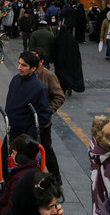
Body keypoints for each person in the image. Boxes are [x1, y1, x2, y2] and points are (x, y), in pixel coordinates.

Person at [3, 51, 50, 180]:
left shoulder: (39, 88)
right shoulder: (16, 79)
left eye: (24, 65)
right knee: (3, 160)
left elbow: (44, 115)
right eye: (19, 64)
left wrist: (30, 135)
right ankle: (6, 185)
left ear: (33, 68)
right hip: (11, 130)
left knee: (20, 167)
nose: (19, 68)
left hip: (25, 137)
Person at [32, 47, 65, 185]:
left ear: (41, 61)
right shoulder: (27, 74)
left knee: (46, 148)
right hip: (29, 120)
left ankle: (55, 176)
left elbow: (59, 96)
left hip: (44, 121)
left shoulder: (48, 76)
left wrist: (48, 110)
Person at [0, 134, 41, 215]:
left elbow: (11, 208)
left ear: (22, 157)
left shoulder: (19, 178)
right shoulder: (36, 169)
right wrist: (3, 188)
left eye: (14, 153)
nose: (11, 156)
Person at [51, 26, 84, 96]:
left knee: (61, 76)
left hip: (60, 62)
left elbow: (55, 51)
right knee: (69, 75)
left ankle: (63, 88)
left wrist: (53, 60)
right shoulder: (72, 39)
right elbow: (77, 51)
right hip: (71, 62)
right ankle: (69, 86)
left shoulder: (58, 39)